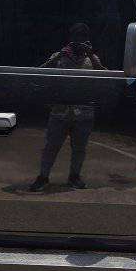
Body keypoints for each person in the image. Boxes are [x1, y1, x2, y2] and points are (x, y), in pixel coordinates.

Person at [30, 23, 103, 192]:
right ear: (71, 38)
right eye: (76, 36)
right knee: (51, 146)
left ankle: (74, 177)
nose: (79, 40)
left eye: (83, 37)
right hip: (60, 110)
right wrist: (57, 58)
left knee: (79, 148)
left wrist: (91, 55)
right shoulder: (60, 56)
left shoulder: (91, 60)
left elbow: (103, 77)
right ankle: (43, 177)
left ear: (87, 39)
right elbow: (40, 72)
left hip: (84, 111)